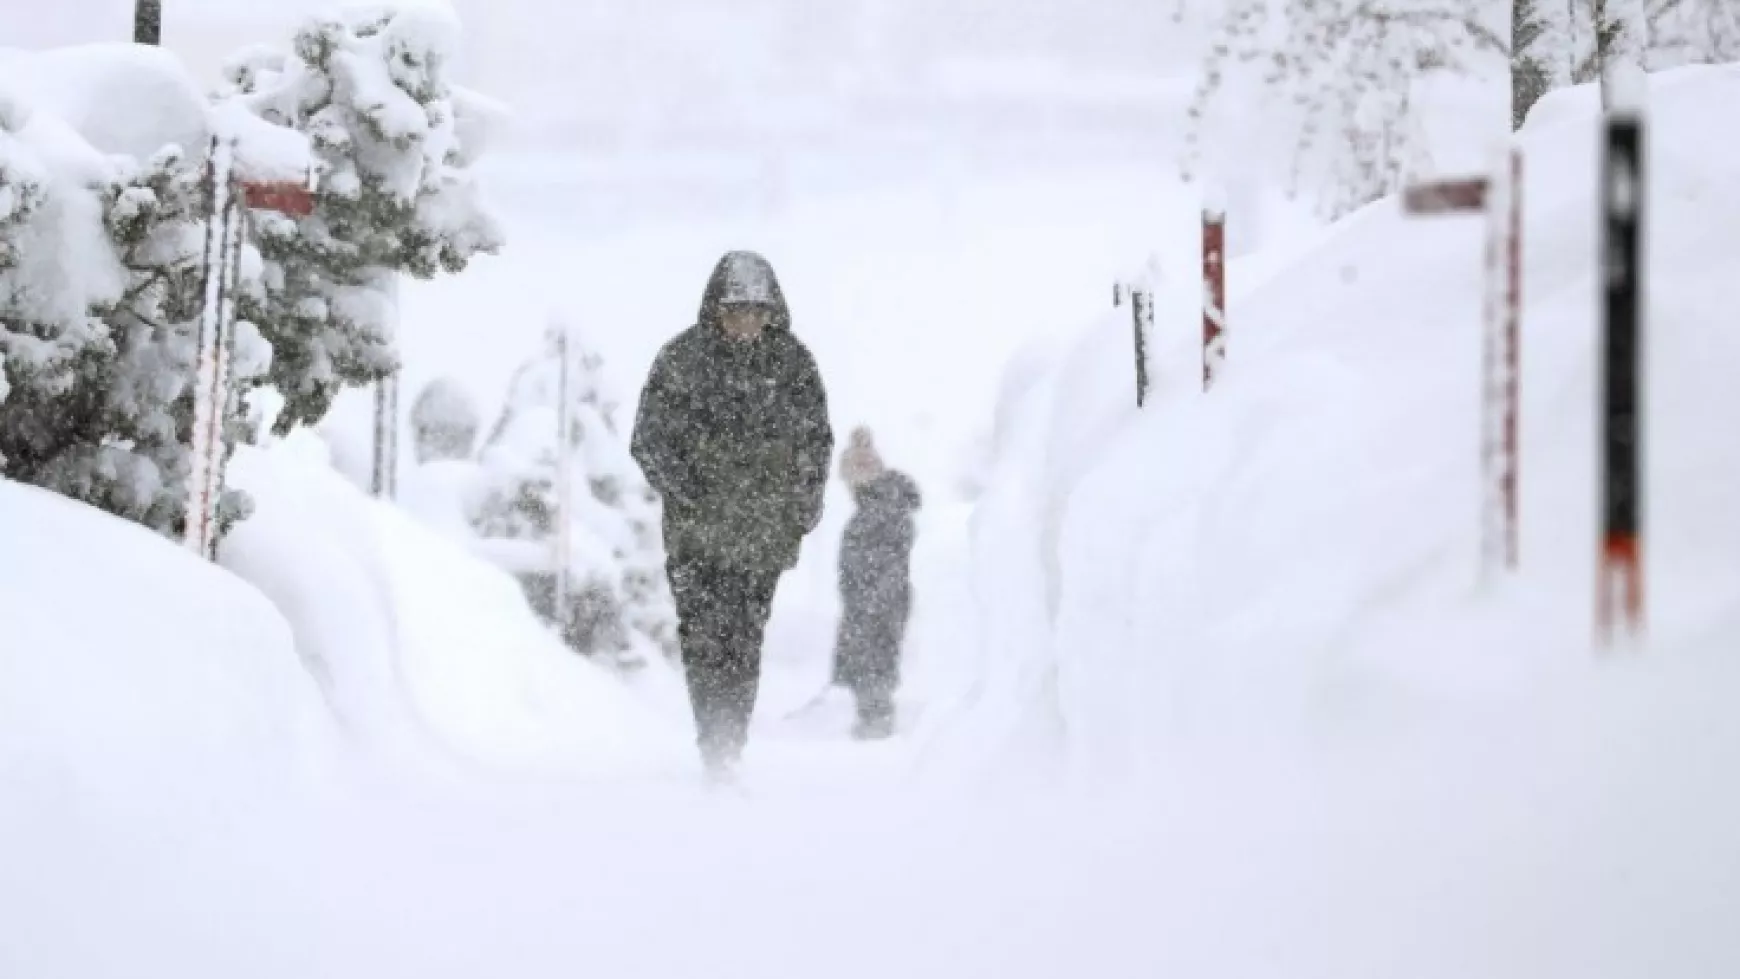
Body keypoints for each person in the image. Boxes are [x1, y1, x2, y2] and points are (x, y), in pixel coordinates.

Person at [630, 250, 834, 781]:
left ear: (772, 312)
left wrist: (805, 501)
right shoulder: (681, 361)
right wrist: (688, 489)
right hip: (696, 539)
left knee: (744, 640)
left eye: (757, 312)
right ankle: (713, 746)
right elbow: (648, 440)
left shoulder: (792, 364)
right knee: (703, 641)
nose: (746, 323)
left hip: (760, 540)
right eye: (737, 311)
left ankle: (730, 745)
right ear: (715, 308)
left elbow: (816, 439)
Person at [832, 427, 921, 740]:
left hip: (880, 603)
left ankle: (876, 720)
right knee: (870, 659)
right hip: (874, 601)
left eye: (849, 479)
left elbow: (890, 561)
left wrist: (871, 602)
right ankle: (872, 716)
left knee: (874, 659)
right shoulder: (878, 509)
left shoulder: (883, 510)